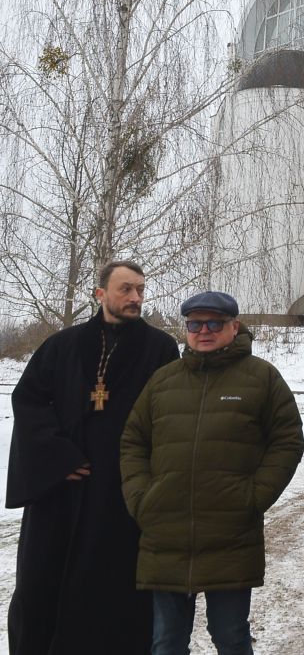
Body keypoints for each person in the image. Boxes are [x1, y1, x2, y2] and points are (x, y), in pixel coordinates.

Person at [6, 260, 179, 655]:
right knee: (40, 585)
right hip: (61, 491)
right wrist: (58, 457)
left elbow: (169, 416)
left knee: (111, 590)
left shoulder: (160, 349)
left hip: (120, 493)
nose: (135, 297)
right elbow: (29, 399)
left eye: (140, 289)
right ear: (101, 294)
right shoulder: (62, 345)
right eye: (125, 289)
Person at [120, 290, 304, 655]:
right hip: (166, 534)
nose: (203, 330)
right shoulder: (163, 381)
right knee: (166, 642)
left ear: (234, 326)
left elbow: (287, 440)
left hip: (230, 534)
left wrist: (253, 497)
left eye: (214, 323)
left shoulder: (262, 378)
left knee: (231, 637)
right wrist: (143, 499)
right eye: (194, 323)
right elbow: (133, 441)